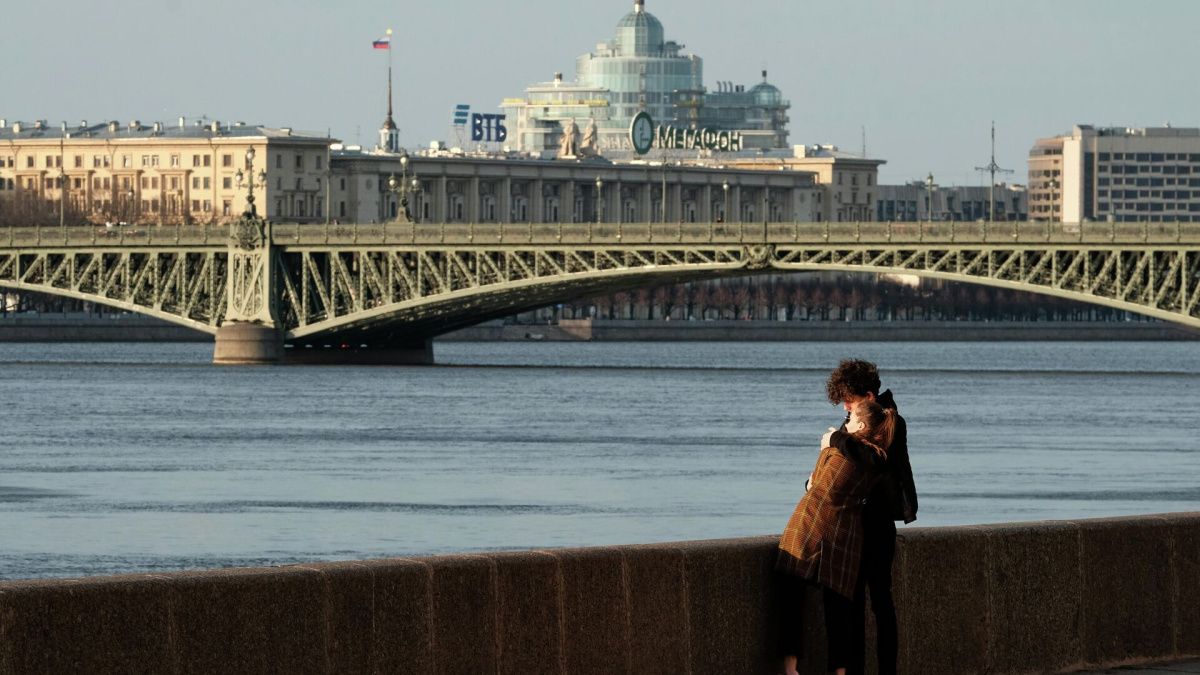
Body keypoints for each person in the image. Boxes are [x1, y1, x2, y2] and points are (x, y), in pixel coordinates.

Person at [777, 399, 896, 675]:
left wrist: (827, 446)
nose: (847, 420)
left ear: (862, 425)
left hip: (811, 527)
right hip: (847, 538)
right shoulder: (876, 458)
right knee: (838, 608)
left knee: (791, 595)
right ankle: (840, 671)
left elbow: (817, 486)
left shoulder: (839, 453)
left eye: (852, 417)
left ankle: (791, 667)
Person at [825, 359, 918, 675]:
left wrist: (836, 440)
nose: (845, 407)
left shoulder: (890, 421)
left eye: (849, 400)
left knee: (880, 601)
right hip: (853, 522)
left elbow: (870, 459)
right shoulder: (853, 421)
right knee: (854, 603)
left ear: (867, 395)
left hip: (876, 522)